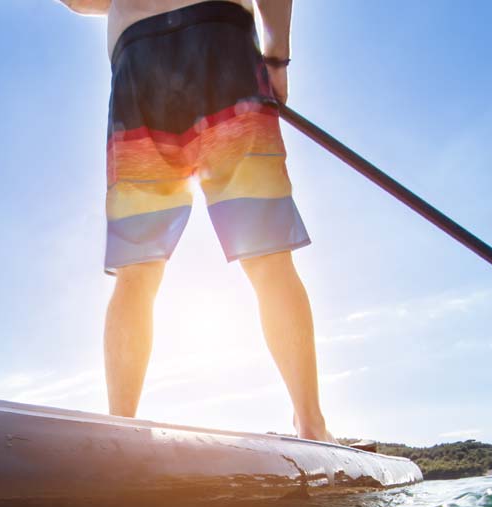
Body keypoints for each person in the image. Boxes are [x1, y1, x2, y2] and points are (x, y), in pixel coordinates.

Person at [57, 0, 334, 442]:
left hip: (138, 59)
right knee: (266, 257)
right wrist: (277, 59)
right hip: (221, 44)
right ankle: (312, 424)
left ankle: (121, 434)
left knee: (137, 273)